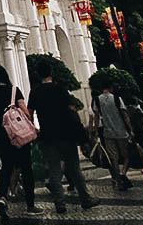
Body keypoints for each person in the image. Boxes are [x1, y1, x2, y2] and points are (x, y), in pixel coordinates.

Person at [28, 60, 98, 214]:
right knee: (74, 168)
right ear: (51, 72)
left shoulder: (35, 92)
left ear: (37, 74)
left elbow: (29, 112)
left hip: (47, 135)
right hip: (65, 134)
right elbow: (71, 110)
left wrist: (34, 129)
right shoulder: (60, 89)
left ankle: (60, 203)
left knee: (53, 170)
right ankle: (85, 199)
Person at [0, 65, 42, 223]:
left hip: (4, 137)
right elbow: (25, 111)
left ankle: (3, 197)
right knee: (26, 168)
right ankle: (30, 204)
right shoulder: (14, 90)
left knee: (6, 168)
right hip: (20, 136)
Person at [93, 84, 133, 190]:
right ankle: (123, 172)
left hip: (107, 132)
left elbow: (96, 117)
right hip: (121, 131)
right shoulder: (116, 98)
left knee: (113, 158)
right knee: (126, 155)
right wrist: (130, 129)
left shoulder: (97, 100)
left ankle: (118, 181)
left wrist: (96, 131)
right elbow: (124, 114)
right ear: (111, 88)